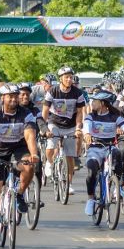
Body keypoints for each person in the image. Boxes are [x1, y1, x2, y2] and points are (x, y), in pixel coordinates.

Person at [0, 84, 40, 241]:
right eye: (10, 96)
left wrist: (34, 154)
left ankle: (19, 194)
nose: (14, 99)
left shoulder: (26, 113)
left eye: (16, 95)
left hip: (18, 148)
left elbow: (29, 135)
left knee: (29, 166)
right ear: (2, 98)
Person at [42, 66, 86, 197]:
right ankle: (49, 163)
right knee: (50, 146)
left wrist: (78, 127)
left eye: (71, 77)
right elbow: (45, 111)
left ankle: (69, 184)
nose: (69, 79)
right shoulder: (53, 91)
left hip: (70, 125)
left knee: (70, 156)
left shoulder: (77, 93)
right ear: (60, 79)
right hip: (54, 123)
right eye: (66, 77)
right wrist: (43, 128)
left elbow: (80, 113)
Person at [80, 90, 124, 216]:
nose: (92, 103)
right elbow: (86, 125)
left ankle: (117, 187)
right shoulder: (91, 116)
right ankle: (91, 199)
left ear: (103, 103)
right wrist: (87, 133)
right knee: (91, 171)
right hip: (95, 148)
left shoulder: (115, 116)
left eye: (95, 101)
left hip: (110, 147)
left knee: (118, 154)